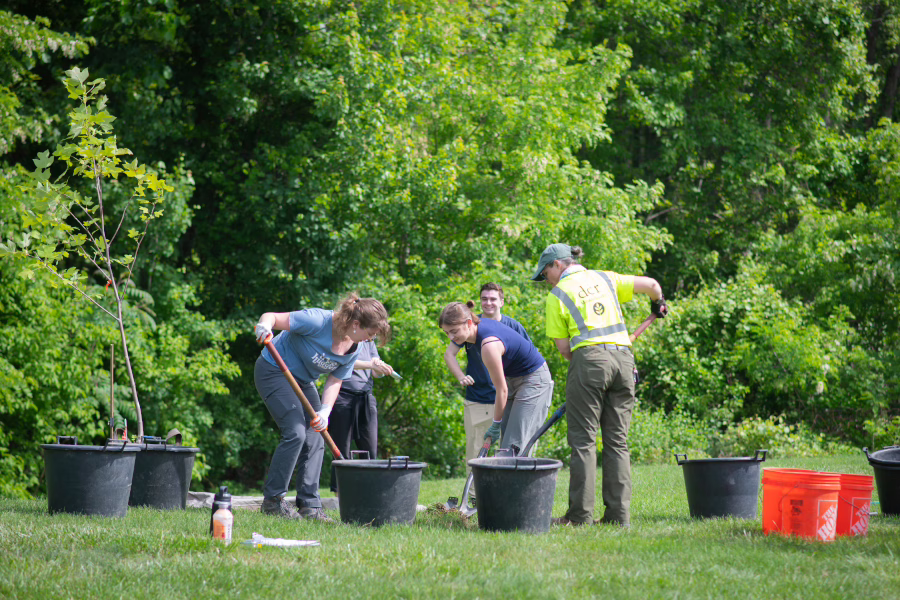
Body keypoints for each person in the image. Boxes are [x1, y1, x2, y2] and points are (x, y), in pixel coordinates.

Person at [530, 243, 667, 527]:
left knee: (583, 442)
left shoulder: (558, 295)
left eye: (545, 274)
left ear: (557, 265)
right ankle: (619, 517)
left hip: (589, 361)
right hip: (624, 361)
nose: (546, 282)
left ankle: (580, 517)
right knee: (617, 442)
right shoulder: (606, 278)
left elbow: (565, 350)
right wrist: (658, 303)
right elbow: (653, 285)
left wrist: (588, 359)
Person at [253, 293, 391, 521]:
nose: (370, 340)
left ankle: (310, 505)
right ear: (356, 325)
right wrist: (264, 326)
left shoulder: (353, 348)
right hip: (274, 370)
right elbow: (272, 317)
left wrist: (325, 410)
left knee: (317, 435)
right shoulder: (317, 320)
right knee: (296, 432)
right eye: (370, 334)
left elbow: (336, 379)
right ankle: (273, 501)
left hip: (303, 381)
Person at [443, 284, 533, 489]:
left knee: (509, 452)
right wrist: (460, 376)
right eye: (484, 299)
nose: (488, 302)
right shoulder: (468, 328)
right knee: (477, 454)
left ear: (502, 302)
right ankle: (475, 501)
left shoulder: (512, 326)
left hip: (508, 398)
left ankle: (506, 495)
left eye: (493, 299)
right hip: (479, 399)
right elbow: (449, 354)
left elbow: (528, 356)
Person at [439, 301, 552, 458]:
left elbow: (502, 390)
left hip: (534, 380)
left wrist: (495, 423)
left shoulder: (488, 345)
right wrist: (499, 424)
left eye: (454, 331)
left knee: (512, 448)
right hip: (515, 379)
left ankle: (517, 481)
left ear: (469, 323)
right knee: (507, 442)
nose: (451, 337)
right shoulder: (478, 329)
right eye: (447, 333)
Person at [328, 339, 394, 494]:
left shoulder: (369, 340)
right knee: (341, 449)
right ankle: (341, 497)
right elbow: (343, 361)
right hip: (342, 395)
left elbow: (374, 372)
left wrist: (380, 368)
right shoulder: (345, 336)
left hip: (366, 396)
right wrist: (370, 364)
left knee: (370, 448)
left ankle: (370, 492)